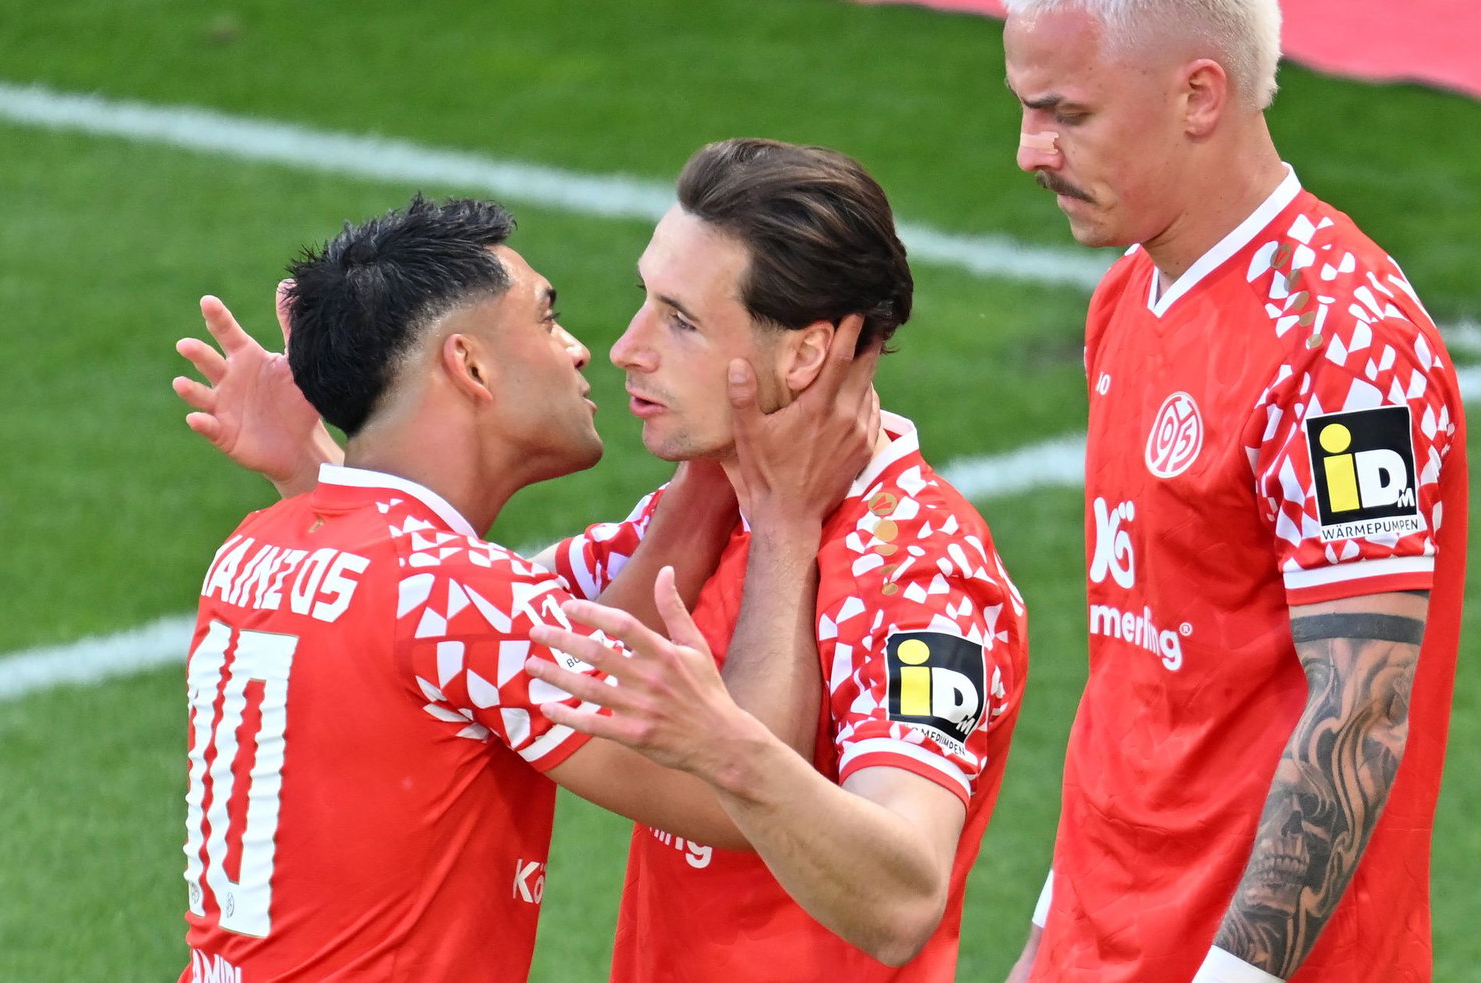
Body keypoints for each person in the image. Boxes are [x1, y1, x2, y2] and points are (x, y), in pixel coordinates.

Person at [177, 138, 1029, 981]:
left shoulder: (915, 565)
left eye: (681, 320)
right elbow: (453, 623)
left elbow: (903, 896)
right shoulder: (669, 529)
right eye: (642, 300)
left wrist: (316, 465)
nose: (620, 347)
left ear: (806, 353)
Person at [998, 2, 1469, 981]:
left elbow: (1359, 712)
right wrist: (1053, 928)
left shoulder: (1345, 353)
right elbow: (1140, 674)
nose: (1026, 151)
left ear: (1198, 96)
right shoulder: (1126, 297)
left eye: (1064, 114)